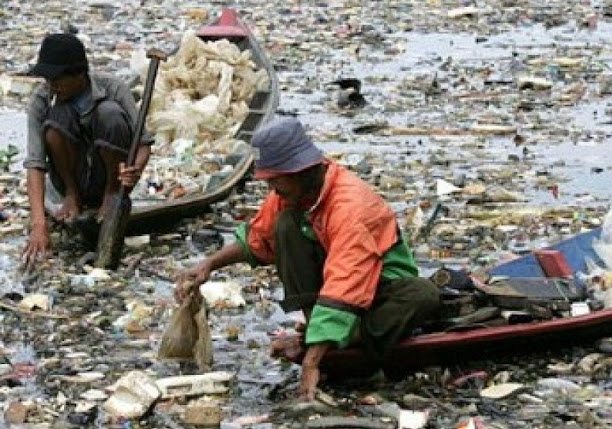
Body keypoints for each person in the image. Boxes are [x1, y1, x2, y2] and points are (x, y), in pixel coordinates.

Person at [176, 117, 441, 399]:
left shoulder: (350, 207)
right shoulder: (292, 194)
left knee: (422, 294)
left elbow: (346, 284)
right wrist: (208, 264)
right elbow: (259, 239)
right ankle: (319, 330)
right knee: (285, 224)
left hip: (380, 291)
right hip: (336, 290)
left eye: (277, 184)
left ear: (301, 172)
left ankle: (326, 338)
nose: (274, 193)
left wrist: (312, 361)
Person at [22, 33, 152, 266]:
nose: (52, 86)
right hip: (71, 177)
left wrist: (135, 172)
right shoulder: (42, 99)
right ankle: (73, 196)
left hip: (111, 176)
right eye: (48, 80)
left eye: (58, 80)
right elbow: (35, 164)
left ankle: (109, 195)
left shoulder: (113, 89)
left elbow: (143, 144)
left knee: (109, 113)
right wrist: (39, 225)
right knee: (56, 119)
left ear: (80, 75)